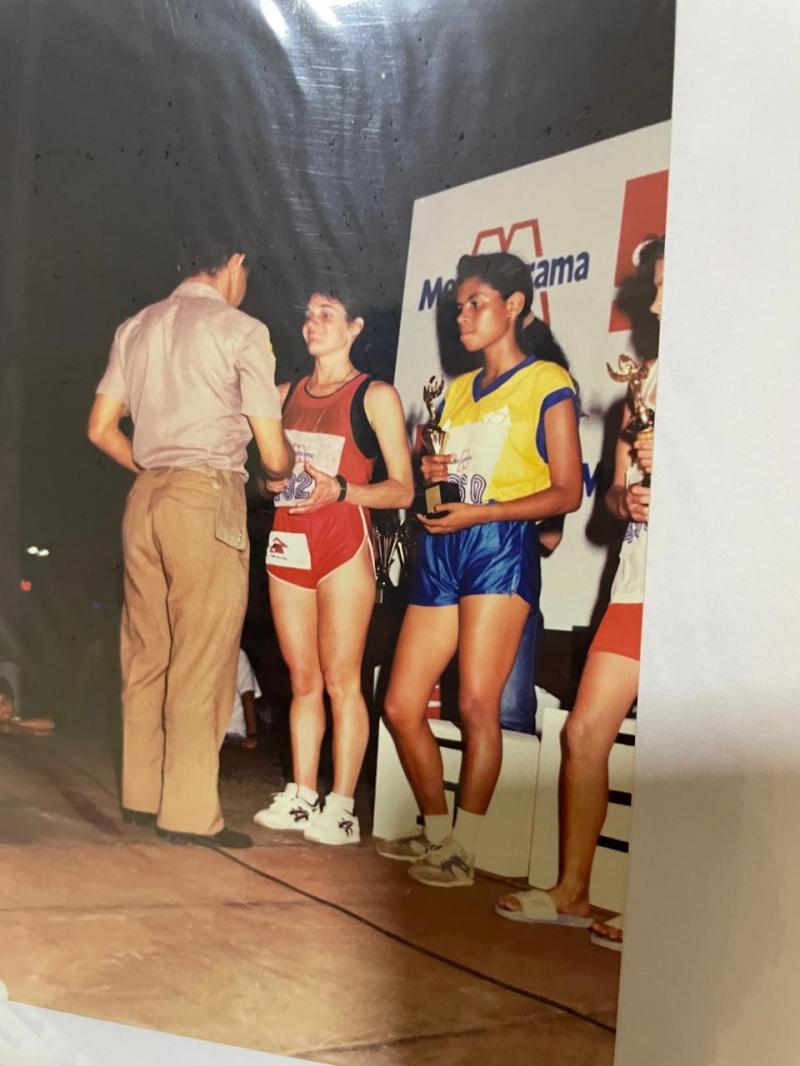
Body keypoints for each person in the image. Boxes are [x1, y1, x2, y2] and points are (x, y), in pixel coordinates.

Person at [376, 251, 583, 886]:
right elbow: (440, 483)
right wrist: (431, 476)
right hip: (444, 547)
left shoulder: (546, 380)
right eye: (458, 306)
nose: (462, 316)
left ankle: (465, 847)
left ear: (513, 306)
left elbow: (568, 491)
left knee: (475, 704)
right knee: (401, 704)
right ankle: (437, 831)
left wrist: (485, 512)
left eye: (476, 304)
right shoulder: (456, 391)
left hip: (499, 547)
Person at [87, 238, 293, 849]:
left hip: (144, 499)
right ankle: (188, 813)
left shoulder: (136, 327)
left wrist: (157, 467)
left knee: (146, 652)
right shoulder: (242, 330)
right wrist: (278, 473)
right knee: (203, 656)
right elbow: (273, 451)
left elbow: (100, 428)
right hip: (205, 497)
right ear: (234, 264)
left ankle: (142, 797)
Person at [495, 237, 664, 944]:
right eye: (654, 287)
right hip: (637, 584)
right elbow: (611, 504)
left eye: (668, 286)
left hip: (709, 598)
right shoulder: (643, 385)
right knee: (584, 731)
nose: (654, 303)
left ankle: (676, 910)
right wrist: (631, 497)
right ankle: (572, 893)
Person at [253, 287, 413, 845]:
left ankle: (342, 807)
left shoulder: (375, 395)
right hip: (289, 545)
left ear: (355, 327)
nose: (313, 323)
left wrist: (340, 489)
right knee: (302, 680)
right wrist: (272, 483)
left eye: (328, 315)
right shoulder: (281, 395)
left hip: (343, 546)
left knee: (343, 680)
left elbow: (402, 489)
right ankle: (302, 795)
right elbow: (263, 481)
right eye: (309, 314)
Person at [225, 648, 262, 749]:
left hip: (232, 733)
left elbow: (247, 695)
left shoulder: (238, 654)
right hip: (208, 733)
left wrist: (251, 735)